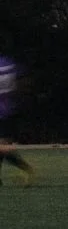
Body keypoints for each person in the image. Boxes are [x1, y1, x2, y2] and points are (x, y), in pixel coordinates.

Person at [0, 54, 33, 185]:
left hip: (4, 112)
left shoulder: (6, 64)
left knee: (2, 147)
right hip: (9, 111)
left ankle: (26, 168)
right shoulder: (9, 63)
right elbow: (22, 83)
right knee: (2, 145)